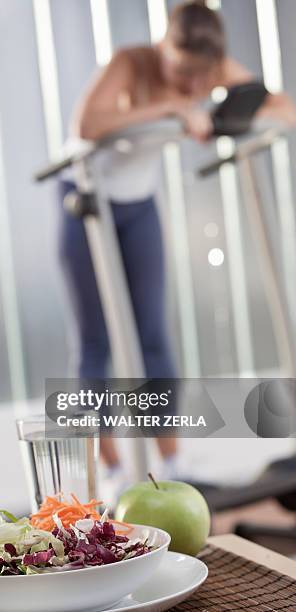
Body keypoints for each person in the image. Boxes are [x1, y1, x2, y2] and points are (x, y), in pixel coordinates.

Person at [57, 1, 296, 489]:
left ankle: (168, 464)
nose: (192, 85)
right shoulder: (132, 62)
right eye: (182, 72)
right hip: (84, 196)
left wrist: (228, 115)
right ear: (164, 46)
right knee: (95, 342)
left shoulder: (213, 67)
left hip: (138, 202)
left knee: (153, 337)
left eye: (202, 76)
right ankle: (111, 469)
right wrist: (172, 109)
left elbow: (282, 108)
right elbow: (86, 126)